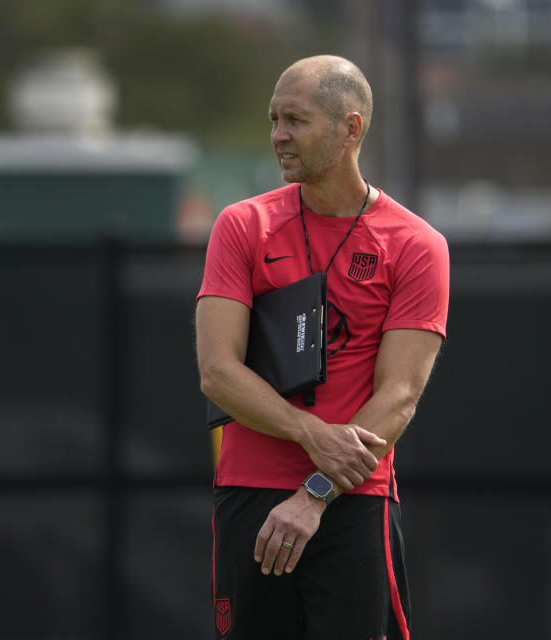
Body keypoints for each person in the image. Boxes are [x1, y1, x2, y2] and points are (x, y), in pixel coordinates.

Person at [195, 54, 450, 640]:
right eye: (274, 119)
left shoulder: (416, 244)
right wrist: (310, 432)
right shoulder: (242, 225)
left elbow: (400, 395)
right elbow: (217, 372)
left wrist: (316, 493)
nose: (279, 136)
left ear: (351, 128)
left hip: (354, 501)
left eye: (296, 120)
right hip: (250, 496)